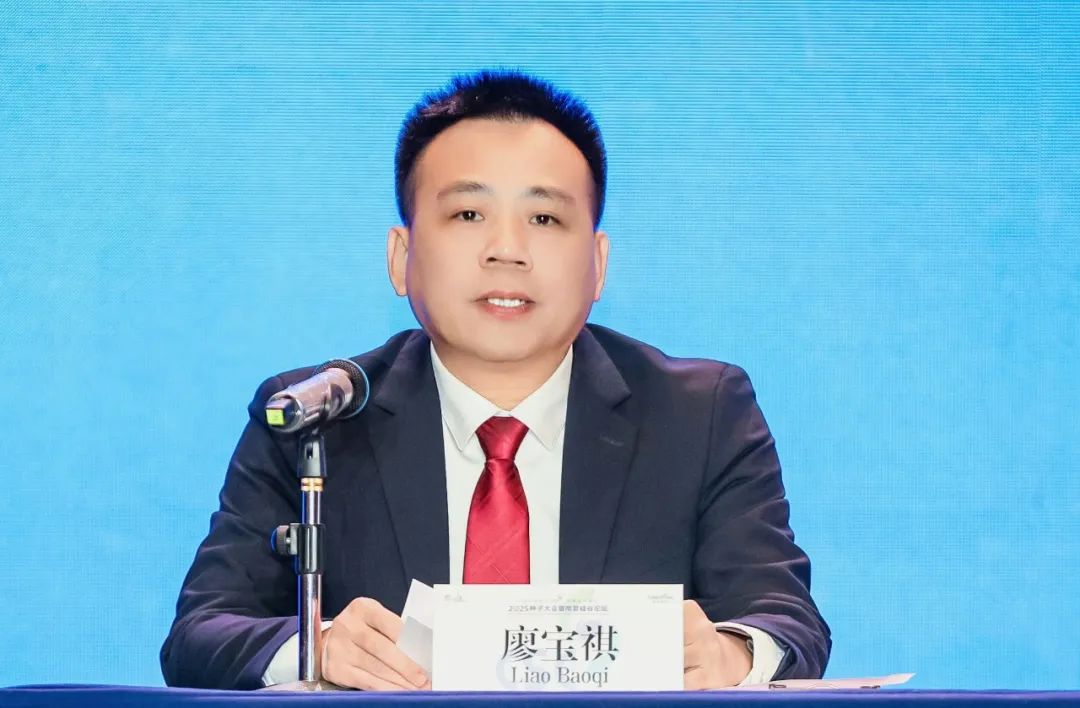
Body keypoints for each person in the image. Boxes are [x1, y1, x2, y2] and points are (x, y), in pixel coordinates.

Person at [160, 69, 830, 691]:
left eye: (544, 218)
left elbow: (786, 620)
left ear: (598, 265)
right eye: (468, 215)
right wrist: (320, 646)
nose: (506, 250)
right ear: (401, 257)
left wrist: (730, 653)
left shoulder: (699, 414)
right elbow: (200, 633)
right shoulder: (318, 415)